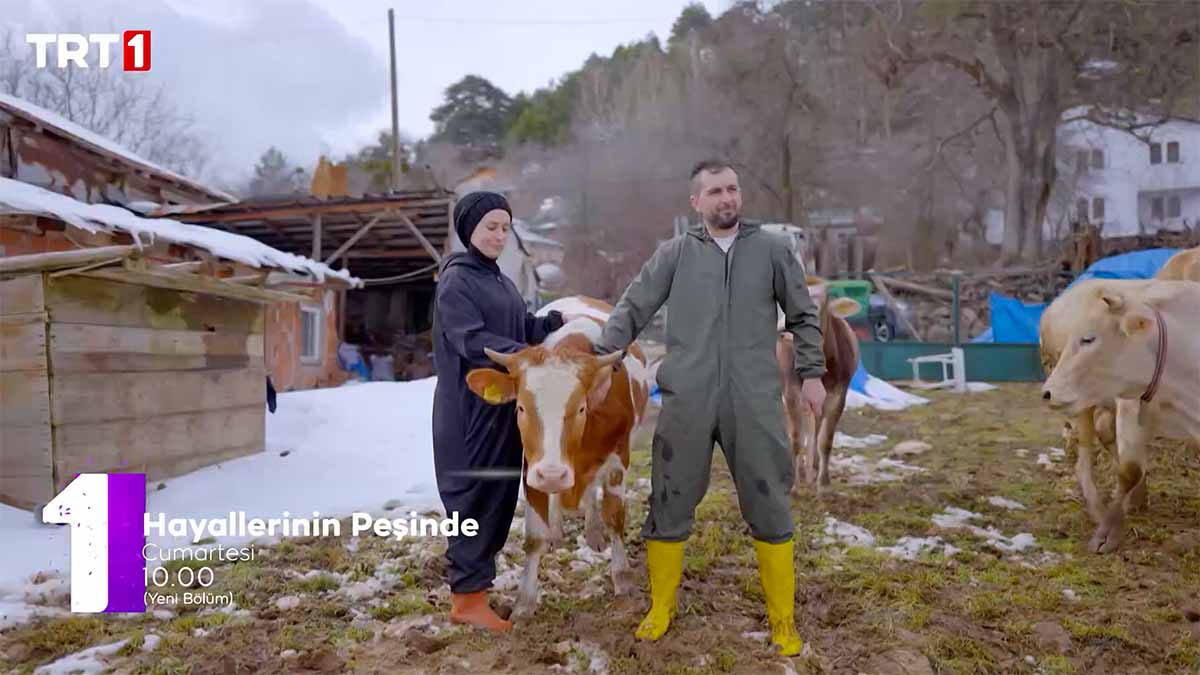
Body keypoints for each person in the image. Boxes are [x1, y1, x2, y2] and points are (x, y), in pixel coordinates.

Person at [596, 160, 826, 655]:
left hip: (755, 397)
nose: (728, 198)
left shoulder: (771, 250)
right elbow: (633, 307)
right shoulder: (675, 255)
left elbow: (804, 315)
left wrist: (811, 374)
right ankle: (661, 607)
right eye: (716, 191)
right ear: (696, 202)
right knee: (670, 499)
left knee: (770, 499)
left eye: (733, 189)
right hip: (688, 397)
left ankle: (782, 621)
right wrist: (601, 359)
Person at [430, 191, 566, 632]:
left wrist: (543, 328)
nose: (499, 236)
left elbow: (517, 327)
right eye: (491, 226)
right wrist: (526, 355)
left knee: (498, 499)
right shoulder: (457, 281)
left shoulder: (499, 280)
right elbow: (469, 339)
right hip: (470, 410)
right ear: (468, 228)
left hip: (503, 410)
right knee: (471, 501)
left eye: (505, 228)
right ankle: (466, 602)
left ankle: (477, 593)